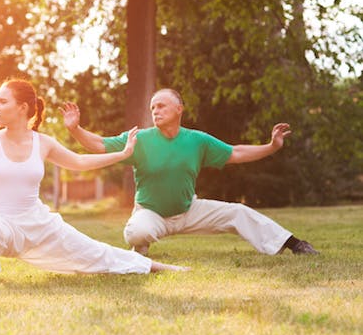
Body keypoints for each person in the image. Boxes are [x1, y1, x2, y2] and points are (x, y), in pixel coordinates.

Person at [0, 79, 188, 284]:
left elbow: (80, 162)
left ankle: (156, 266)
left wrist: (122, 154)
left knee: (97, 252)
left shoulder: (43, 143)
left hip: (39, 225)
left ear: (23, 108)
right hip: (0, 222)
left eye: (2, 102)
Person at [60, 88, 319, 256]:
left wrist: (272, 146)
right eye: (153, 108)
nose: (155, 111)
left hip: (188, 210)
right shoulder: (140, 139)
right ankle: (140, 249)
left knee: (238, 212)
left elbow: (236, 152)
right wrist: (75, 129)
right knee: (138, 232)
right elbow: (99, 144)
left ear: (178, 109)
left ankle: (294, 244)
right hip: (151, 212)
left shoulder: (197, 140)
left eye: (161, 106)